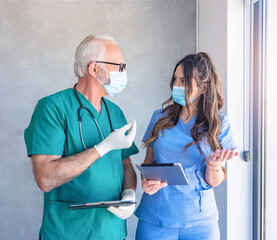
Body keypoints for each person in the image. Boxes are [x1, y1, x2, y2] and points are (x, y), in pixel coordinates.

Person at [24, 34, 139, 240]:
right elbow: (45, 178)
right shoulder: (52, 108)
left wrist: (129, 193)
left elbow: (126, 165)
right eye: (119, 66)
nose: (124, 72)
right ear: (95, 69)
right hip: (67, 231)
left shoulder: (116, 113)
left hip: (111, 231)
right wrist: (101, 148)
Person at [135, 52, 239, 240]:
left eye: (183, 81)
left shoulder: (219, 124)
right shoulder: (159, 118)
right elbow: (148, 164)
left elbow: (214, 181)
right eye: (175, 79)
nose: (176, 85)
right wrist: (147, 181)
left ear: (203, 87)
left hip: (200, 223)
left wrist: (214, 165)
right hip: (156, 218)